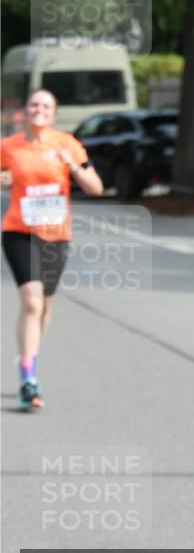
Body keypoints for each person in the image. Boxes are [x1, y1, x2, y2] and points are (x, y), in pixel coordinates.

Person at [1, 89, 103, 410]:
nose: (39, 109)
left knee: (44, 305)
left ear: (54, 113)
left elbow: (95, 187)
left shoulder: (66, 143)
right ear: (25, 111)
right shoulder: (8, 147)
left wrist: (72, 165)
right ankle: (28, 379)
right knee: (31, 301)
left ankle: (30, 356)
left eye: (46, 105)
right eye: (34, 104)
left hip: (56, 235)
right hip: (19, 231)